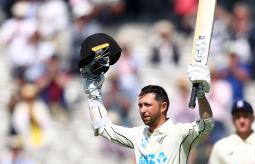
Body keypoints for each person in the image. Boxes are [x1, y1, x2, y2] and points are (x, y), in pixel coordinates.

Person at [80, 53, 213, 163]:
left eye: (147, 105)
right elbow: (103, 128)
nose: (142, 110)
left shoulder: (180, 133)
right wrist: (93, 95)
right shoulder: (137, 135)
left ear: (163, 106)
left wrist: (200, 95)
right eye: (140, 105)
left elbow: (206, 125)